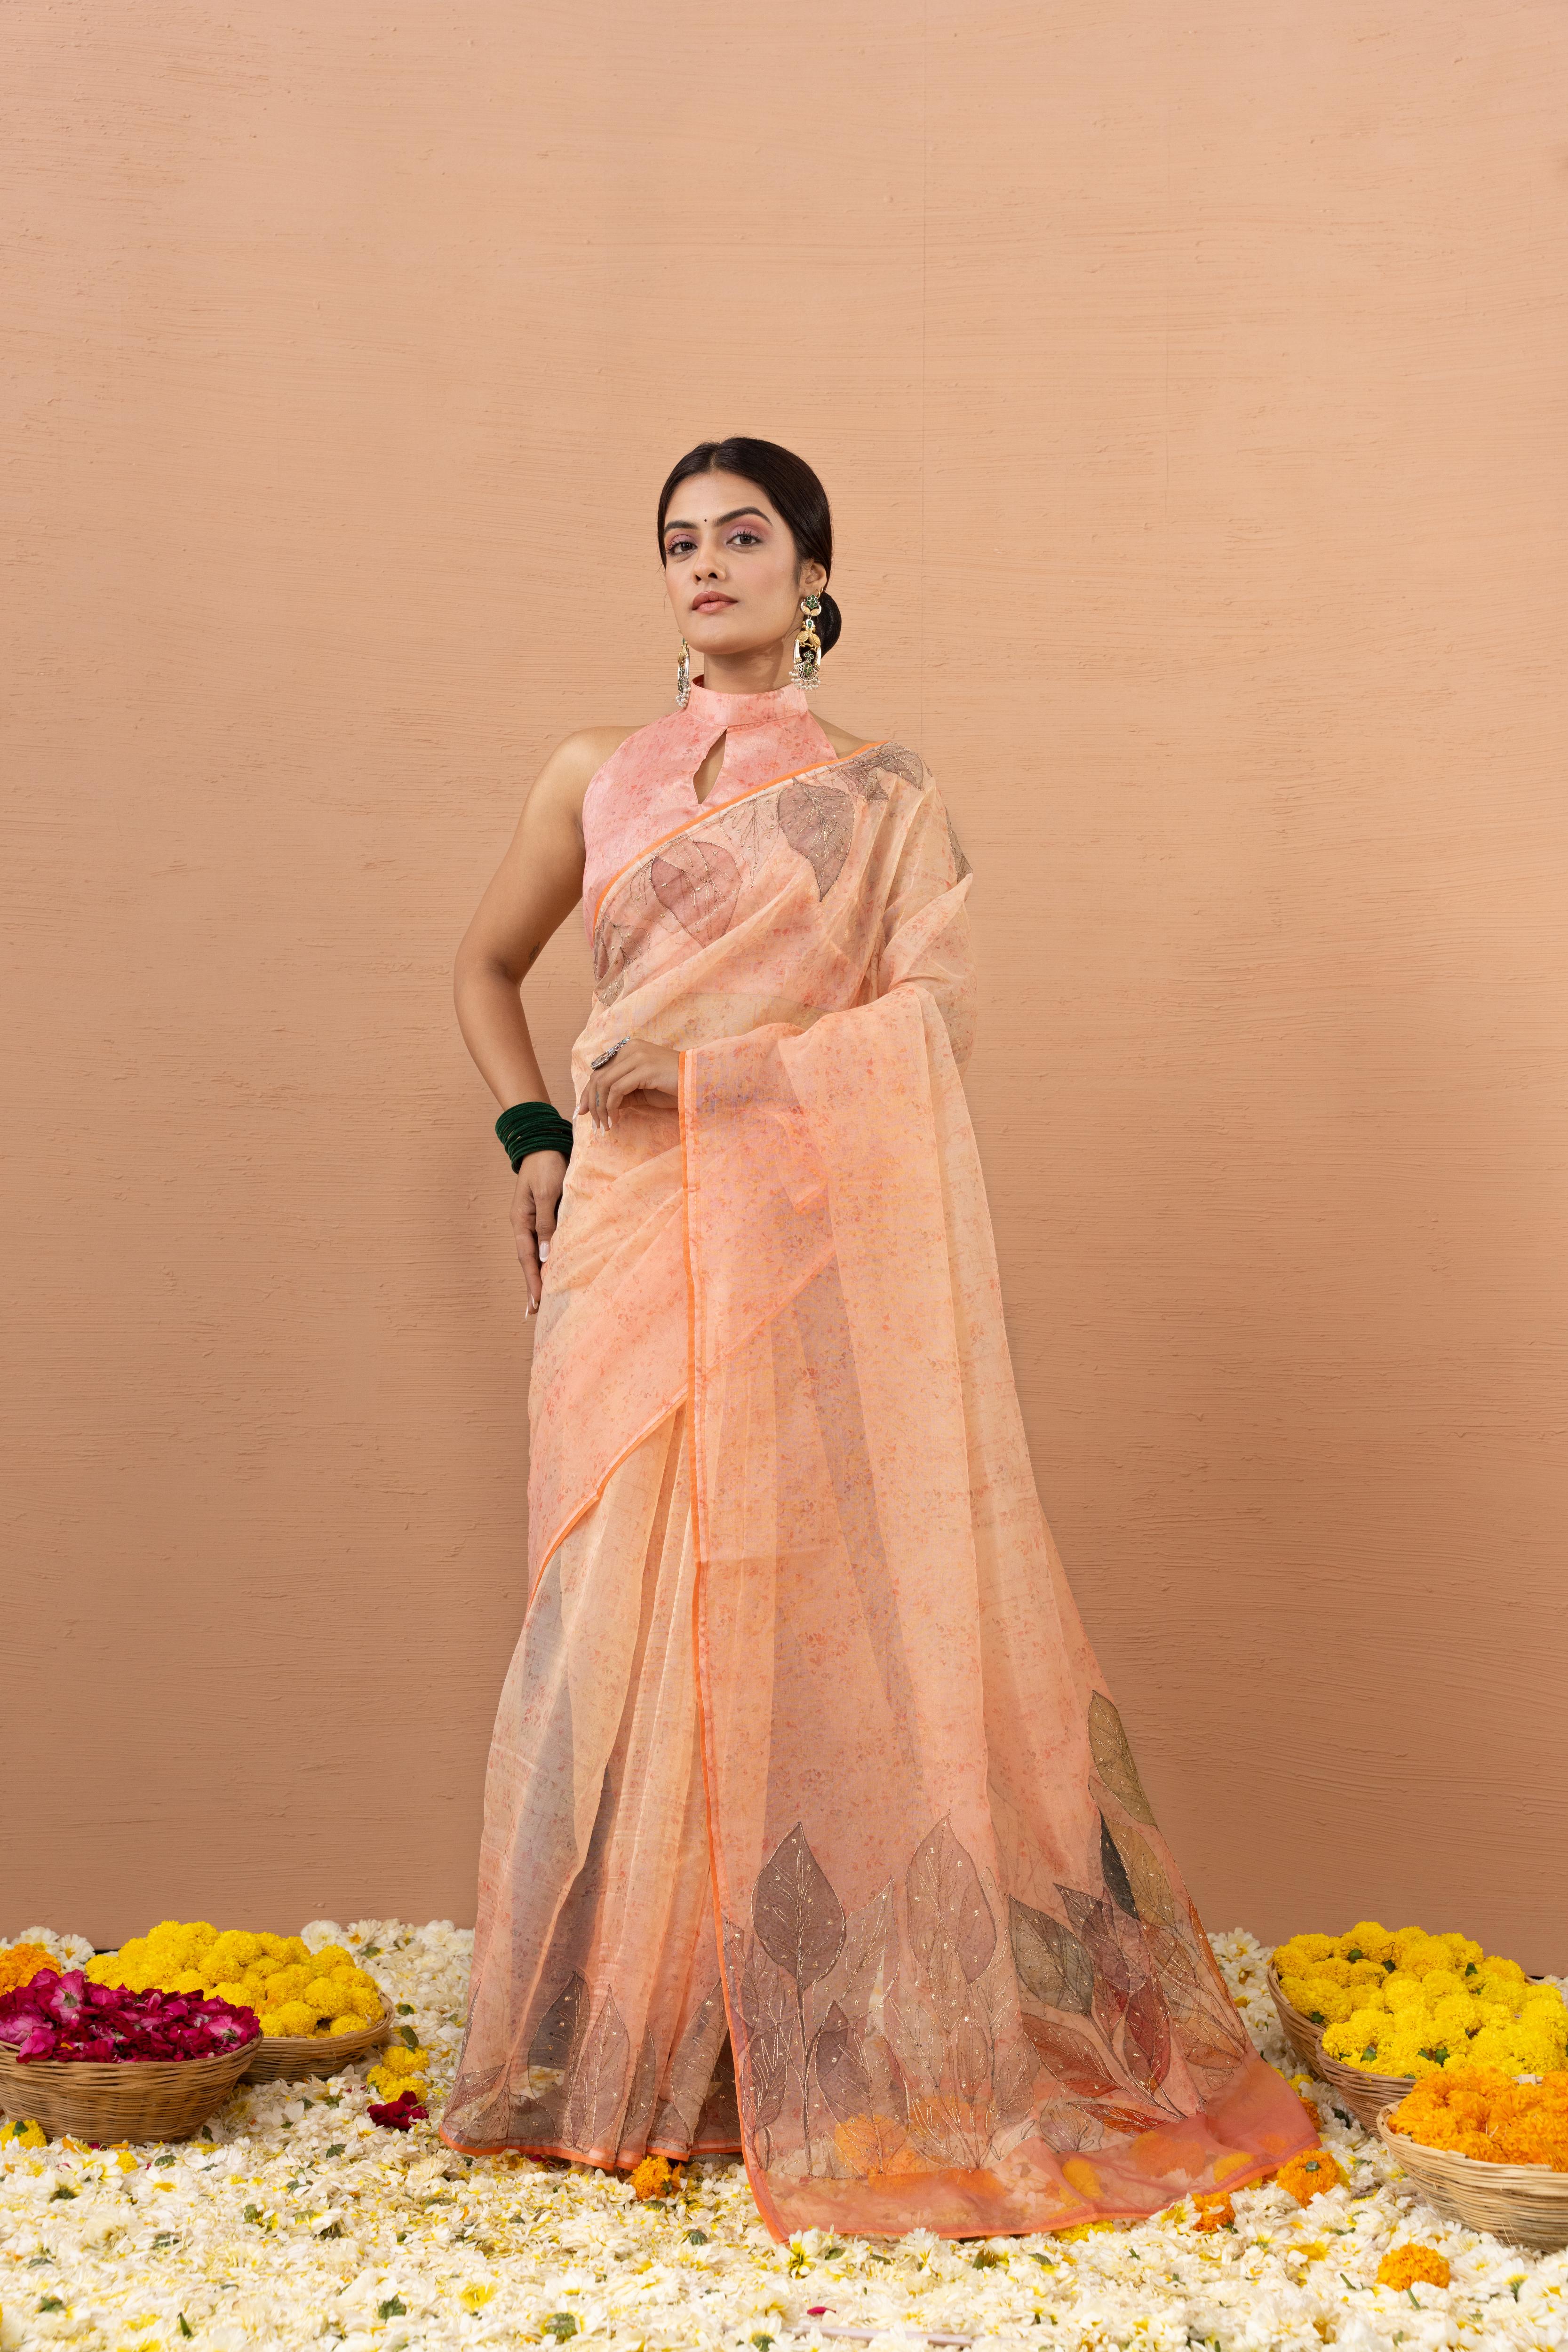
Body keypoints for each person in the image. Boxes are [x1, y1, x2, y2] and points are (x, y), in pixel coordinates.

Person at [441, 437, 1314, 2237]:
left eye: (743, 535)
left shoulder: (884, 798)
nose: (706, 565)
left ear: (813, 573)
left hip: (799, 1244)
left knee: (810, 1610)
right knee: (606, 1614)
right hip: (624, 1239)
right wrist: (534, 1136)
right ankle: (615, 2041)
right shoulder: (592, 775)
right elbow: (484, 968)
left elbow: (932, 1020)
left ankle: (802, 2037)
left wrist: (713, 1070)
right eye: (678, 542)